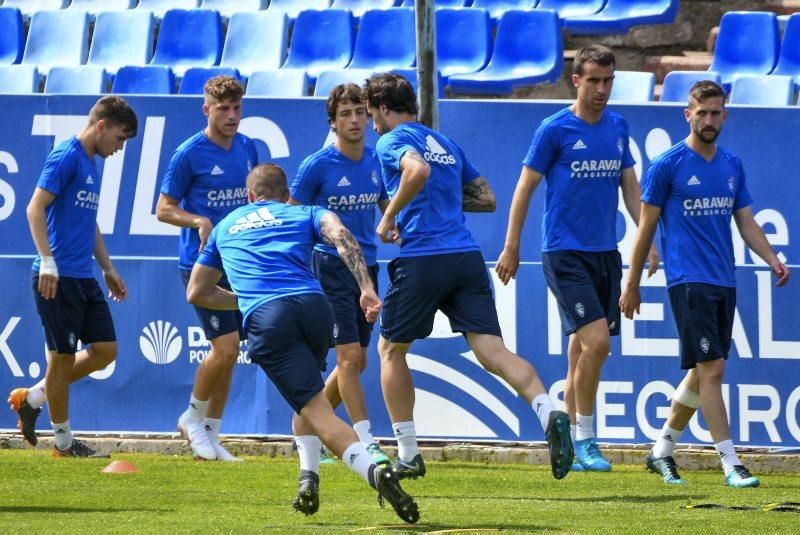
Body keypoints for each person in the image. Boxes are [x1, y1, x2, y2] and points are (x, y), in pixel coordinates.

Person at [364, 73, 573, 481]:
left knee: (390, 351)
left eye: (373, 115)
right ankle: (550, 412)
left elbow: (417, 171)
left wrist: (389, 216)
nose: (373, 125)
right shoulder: (444, 143)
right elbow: (486, 198)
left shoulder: (392, 140)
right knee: (493, 352)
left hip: (424, 256)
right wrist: (440, 200)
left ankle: (408, 452)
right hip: (465, 256)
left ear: (385, 109)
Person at [186, 163, 419, 523]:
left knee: (317, 411)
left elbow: (196, 292)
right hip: (315, 309)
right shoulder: (304, 211)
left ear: (249, 196)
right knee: (309, 401)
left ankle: (374, 472)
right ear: (284, 195)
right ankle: (308, 479)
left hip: (269, 318)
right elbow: (341, 236)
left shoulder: (224, 226)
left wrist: (244, 299)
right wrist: (367, 288)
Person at [495, 45, 658, 472]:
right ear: (577, 80)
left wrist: (647, 240)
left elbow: (630, 190)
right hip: (564, 252)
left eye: (608, 81)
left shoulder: (618, 127)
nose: (602, 89)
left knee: (580, 348)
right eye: (595, 81)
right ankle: (586, 438)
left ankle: (571, 429)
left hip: (605, 252)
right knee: (598, 344)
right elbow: (524, 188)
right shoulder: (554, 129)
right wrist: (512, 246)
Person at [619, 80, 789, 488]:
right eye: (702, 112)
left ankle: (661, 450)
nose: (709, 120)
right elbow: (646, 228)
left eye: (716, 113)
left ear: (725, 115)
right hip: (687, 280)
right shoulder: (667, 165)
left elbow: (745, 221)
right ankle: (731, 463)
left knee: (700, 372)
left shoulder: (731, 164)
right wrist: (632, 282)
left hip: (723, 280)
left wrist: (771, 258)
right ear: (688, 115)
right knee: (712, 368)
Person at [7, 96, 138, 457]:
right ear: (102, 126)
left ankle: (32, 397)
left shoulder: (92, 164)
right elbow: (34, 207)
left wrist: (107, 267)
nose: (120, 147)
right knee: (61, 360)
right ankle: (64, 442)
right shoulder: (66, 156)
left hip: (83, 277)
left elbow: (88, 222)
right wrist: (47, 261)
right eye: (120, 138)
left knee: (106, 351)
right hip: (56, 277)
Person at [157, 76, 258, 461]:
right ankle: (192, 416)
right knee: (226, 346)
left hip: (238, 261)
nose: (232, 116)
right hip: (202, 264)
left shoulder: (248, 147)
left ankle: (212, 435)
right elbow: (164, 208)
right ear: (207, 110)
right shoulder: (189, 153)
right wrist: (198, 220)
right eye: (223, 109)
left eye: (237, 108)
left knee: (232, 352)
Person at [288, 83, 390, 466]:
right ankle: (365, 440)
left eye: (359, 112)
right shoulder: (317, 165)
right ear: (333, 122)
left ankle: (306, 425)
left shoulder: (376, 159)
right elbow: (291, 214)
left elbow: (380, 200)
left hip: (368, 268)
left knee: (358, 361)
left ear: (368, 116)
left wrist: (391, 223)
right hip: (329, 266)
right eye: (345, 114)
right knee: (348, 359)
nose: (354, 120)